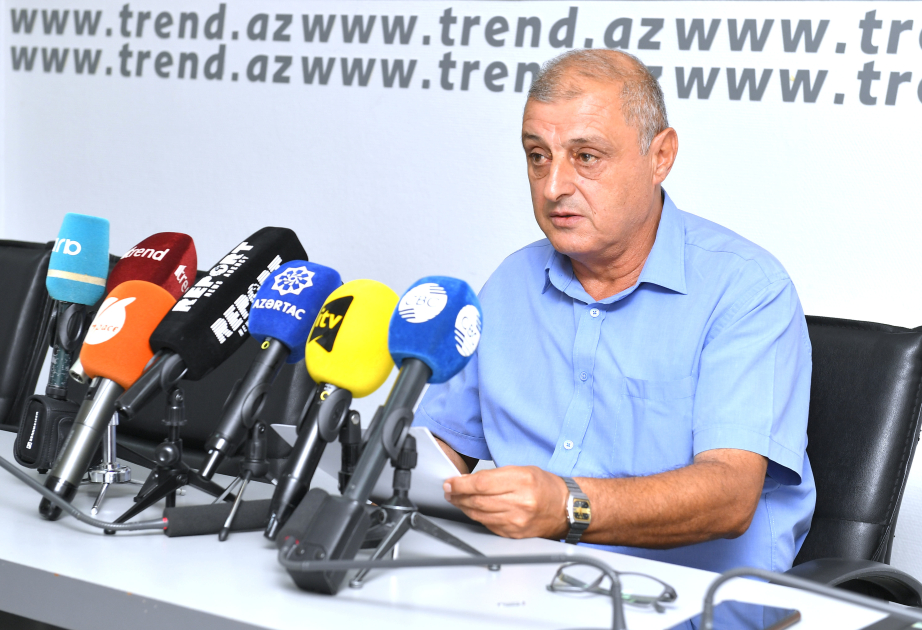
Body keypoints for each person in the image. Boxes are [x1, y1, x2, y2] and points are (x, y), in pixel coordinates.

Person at [414, 48, 815, 575]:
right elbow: (441, 449)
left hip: (691, 597)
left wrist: (567, 507)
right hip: (522, 585)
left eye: (586, 157)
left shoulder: (746, 289)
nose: (553, 186)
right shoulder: (510, 283)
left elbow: (730, 495)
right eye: (538, 156)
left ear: (660, 156)